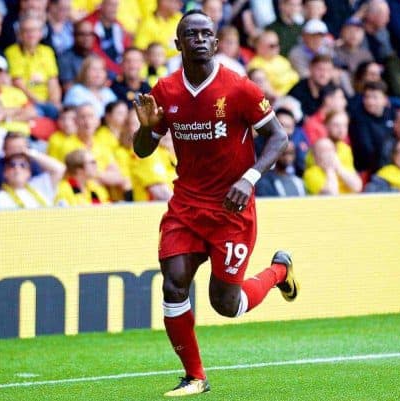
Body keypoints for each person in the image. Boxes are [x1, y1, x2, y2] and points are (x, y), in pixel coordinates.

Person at [132, 10, 299, 396]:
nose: (201, 39)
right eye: (192, 34)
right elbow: (143, 151)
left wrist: (249, 177)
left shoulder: (238, 88)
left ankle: (278, 271)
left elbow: (278, 137)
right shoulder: (166, 91)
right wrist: (145, 128)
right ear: (178, 44)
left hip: (231, 210)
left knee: (227, 305)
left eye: (207, 33)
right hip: (186, 207)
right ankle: (195, 377)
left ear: (217, 42)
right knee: (174, 287)